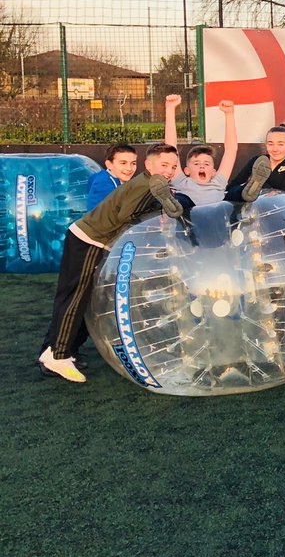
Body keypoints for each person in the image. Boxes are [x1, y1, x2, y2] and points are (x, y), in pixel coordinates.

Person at [37, 144, 183, 384]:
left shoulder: (149, 183)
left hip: (89, 239)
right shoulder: (150, 185)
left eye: (173, 166)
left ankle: (56, 350)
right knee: (75, 298)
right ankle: (58, 354)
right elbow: (127, 215)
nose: (169, 170)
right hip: (89, 240)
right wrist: (159, 210)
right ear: (150, 165)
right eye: (164, 165)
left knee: (77, 298)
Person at [164, 94, 271, 210]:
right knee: (182, 199)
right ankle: (171, 203)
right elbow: (170, 149)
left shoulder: (218, 182)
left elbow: (231, 150)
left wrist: (229, 114)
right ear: (187, 170)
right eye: (196, 163)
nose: (202, 166)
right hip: (191, 221)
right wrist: (170, 108)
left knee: (232, 194)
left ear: (214, 171)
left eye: (206, 164)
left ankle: (249, 188)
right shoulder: (182, 182)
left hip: (219, 220)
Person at [228, 122, 285, 200]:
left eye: (280, 144)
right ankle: (248, 189)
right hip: (251, 203)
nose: (275, 149)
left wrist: (265, 188)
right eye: (270, 144)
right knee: (235, 191)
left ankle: (259, 187)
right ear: (266, 145)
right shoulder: (257, 160)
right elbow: (233, 185)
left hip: (275, 204)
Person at [86, 143, 138, 210]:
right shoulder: (102, 185)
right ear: (109, 164)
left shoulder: (104, 176)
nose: (129, 168)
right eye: (123, 163)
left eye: (133, 163)